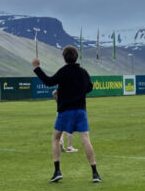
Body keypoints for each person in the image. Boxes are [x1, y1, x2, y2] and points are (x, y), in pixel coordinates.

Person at [33, 46, 101, 183]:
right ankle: (95, 173)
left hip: (65, 111)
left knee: (56, 139)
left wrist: (37, 68)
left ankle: (57, 171)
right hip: (81, 111)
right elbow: (89, 88)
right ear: (76, 57)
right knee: (86, 140)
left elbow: (49, 82)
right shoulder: (83, 72)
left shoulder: (63, 72)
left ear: (64, 57)